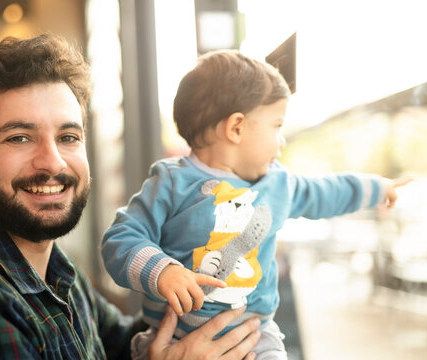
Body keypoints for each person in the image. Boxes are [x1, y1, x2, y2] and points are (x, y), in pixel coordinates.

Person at [0, 35, 263, 359]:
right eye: (19, 137)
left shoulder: (50, 265)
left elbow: (125, 344)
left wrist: (195, 279)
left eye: (68, 137)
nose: (52, 161)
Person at [101, 50, 410, 359]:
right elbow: (120, 238)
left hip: (253, 335)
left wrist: (375, 187)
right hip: (171, 337)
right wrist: (162, 271)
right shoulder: (171, 182)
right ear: (236, 127)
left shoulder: (277, 183)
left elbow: (323, 192)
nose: (282, 139)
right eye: (277, 125)